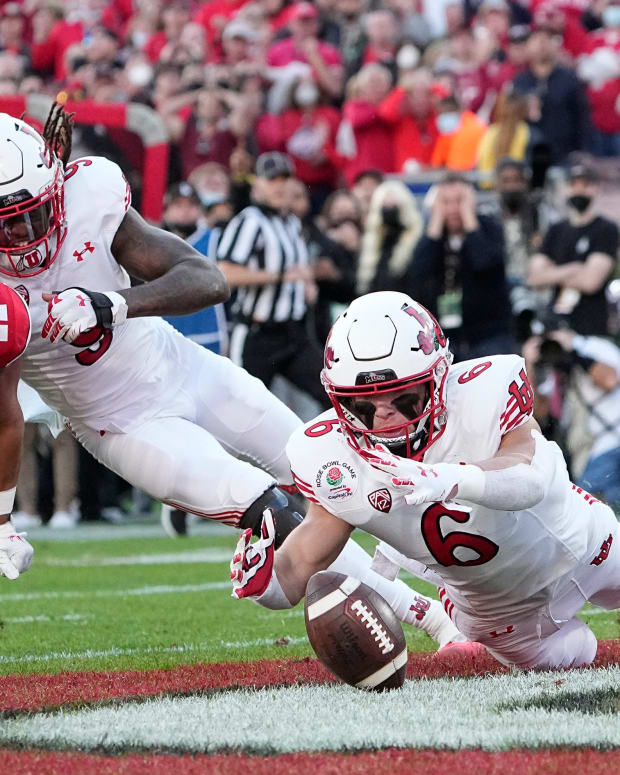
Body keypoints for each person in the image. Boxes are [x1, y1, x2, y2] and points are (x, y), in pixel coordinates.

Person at [231, 291, 620, 670]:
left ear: (437, 377)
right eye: (361, 402)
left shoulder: (484, 391)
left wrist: (447, 479)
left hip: (587, 543)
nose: (383, 415)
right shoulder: (331, 457)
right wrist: (266, 583)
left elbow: (532, 477)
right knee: (577, 657)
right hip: (500, 613)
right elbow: (300, 563)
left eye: (403, 397)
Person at [217, 151, 328, 408]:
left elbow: (298, 267)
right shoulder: (249, 221)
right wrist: (277, 277)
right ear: (258, 185)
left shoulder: (291, 223)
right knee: (243, 407)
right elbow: (225, 273)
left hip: (293, 332)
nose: (280, 185)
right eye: (272, 179)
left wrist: (307, 283)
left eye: (285, 179)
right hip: (258, 334)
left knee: (332, 392)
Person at [409, 172, 514, 361]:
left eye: (459, 201)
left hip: (489, 334)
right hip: (445, 336)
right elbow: (418, 272)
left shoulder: (488, 227)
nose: (452, 209)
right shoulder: (433, 236)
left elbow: (486, 263)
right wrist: (435, 222)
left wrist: (469, 219)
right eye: (445, 202)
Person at [526, 162, 618, 338]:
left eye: (585, 185)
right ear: (566, 189)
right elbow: (534, 277)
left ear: (597, 189)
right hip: (555, 325)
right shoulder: (556, 229)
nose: (579, 191)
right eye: (574, 185)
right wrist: (575, 268)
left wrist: (553, 273)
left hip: (591, 327)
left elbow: (591, 282)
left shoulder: (606, 229)